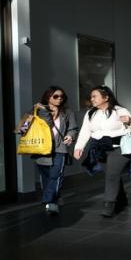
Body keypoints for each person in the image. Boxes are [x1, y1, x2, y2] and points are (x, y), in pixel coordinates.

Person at [73, 85, 131, 218]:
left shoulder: (120, 111)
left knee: (111, 175)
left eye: (94, 96)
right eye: (91, 97)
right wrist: (79, 147)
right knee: (112, 175)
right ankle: (122, 200)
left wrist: (129, 122)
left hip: (119, 147)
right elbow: (85, 131)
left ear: (106, 97)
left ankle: (109, 204)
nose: (92, 99)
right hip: (100, 149)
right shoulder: (90, 113)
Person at [30, 86, 78, 214]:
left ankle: (49, 201)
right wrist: (39, 111)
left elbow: (73, 128)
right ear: (48, 97)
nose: (59, 99)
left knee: (56, 175)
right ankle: (54, 198)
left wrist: (70, 136)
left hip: (60, 148)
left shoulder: (67, 112)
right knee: (46, 176)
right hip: (41, 148)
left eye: (61, 96)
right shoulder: (39, 110)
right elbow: (26, 126)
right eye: (56, 96)